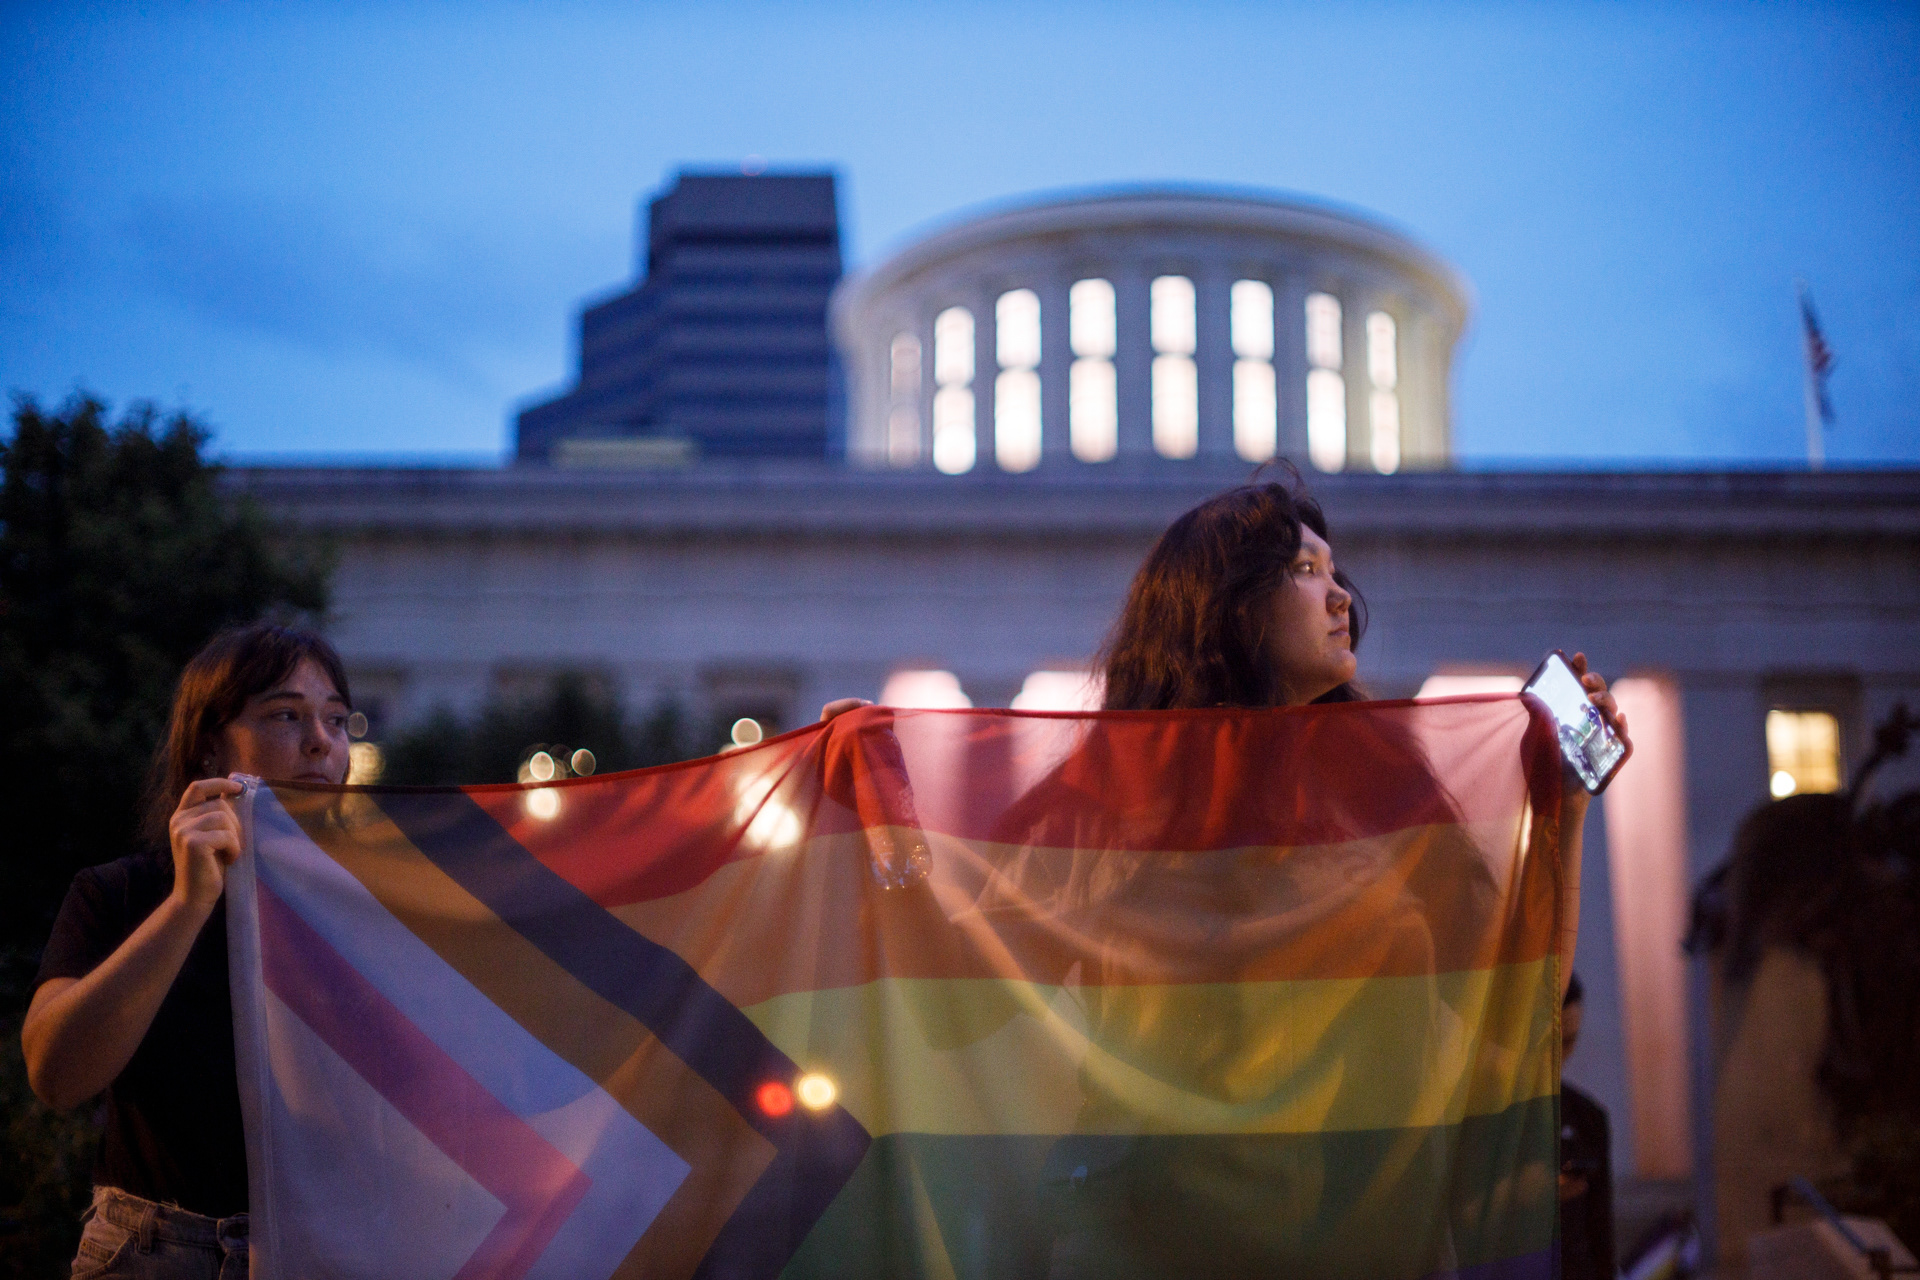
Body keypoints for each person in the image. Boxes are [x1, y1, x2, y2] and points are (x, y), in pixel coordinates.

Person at [21, 622, 355, 1280]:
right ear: (208, 748)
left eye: (339, 720)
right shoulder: (120, 893)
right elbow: (56, 1074)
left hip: (326, 1254)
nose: (322, 742)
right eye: (287, 715)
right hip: (154, 1256)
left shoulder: (367, 909)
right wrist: (187, 906)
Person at [1559, 972, 1618, 1280]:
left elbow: (1601, 1231)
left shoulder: (1587, 1117)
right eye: (1550, 1042)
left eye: (1569, 1043)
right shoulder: (1493, 1116)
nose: (1557, 1056)